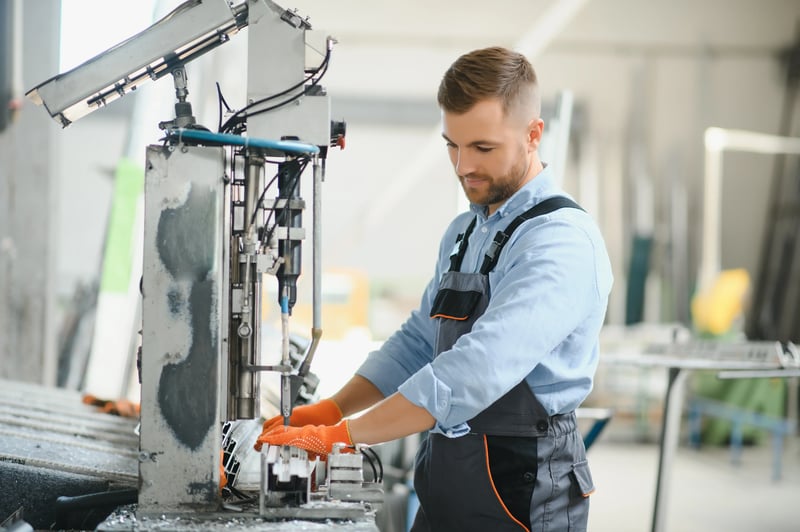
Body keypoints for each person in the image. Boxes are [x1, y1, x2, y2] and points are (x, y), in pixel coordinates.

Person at [255, 46, 613, 532]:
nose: (463, 166)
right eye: (452, 145)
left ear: (533, 135)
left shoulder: (560, 242)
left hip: (523, 490)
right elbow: (418, 342)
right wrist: (331, 407)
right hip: (448, 480)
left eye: (483, 148)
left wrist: (343, 434)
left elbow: (472, 371)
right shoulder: (466, 231)